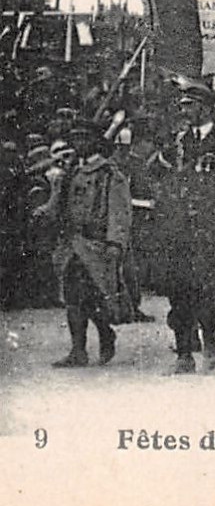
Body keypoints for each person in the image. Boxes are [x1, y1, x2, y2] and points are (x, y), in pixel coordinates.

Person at [156, 82, 215, 375]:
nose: (184, 111)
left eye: (189, 105)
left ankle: (209, 336)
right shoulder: (176, 142)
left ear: (205, 108)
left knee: (207, 289)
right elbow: (156, 173)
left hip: (210, 227)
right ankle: (184, 353)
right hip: (178, 226)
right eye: (182, 105)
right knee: (178, 290)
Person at [48, 121, 132, 367]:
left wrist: (116, 243)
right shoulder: (71, 171)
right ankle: (78, 350)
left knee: (94, 297)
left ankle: (105, 333)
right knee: (74, 297)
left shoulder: (108, 173)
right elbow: (59, 205)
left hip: (96, 246)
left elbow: (119, 211)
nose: (79, 143)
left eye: (84, 137)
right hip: (72, 243)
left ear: (96, 141)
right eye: (75, 138)